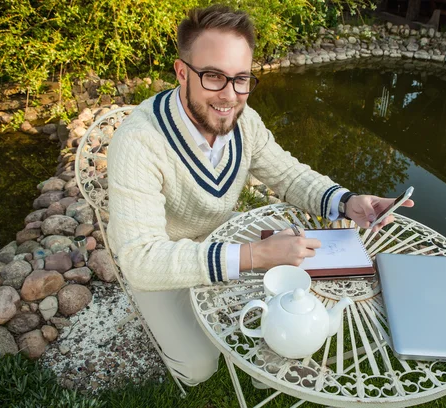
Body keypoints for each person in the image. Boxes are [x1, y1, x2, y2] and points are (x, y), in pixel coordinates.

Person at [107, 4, 414, 386]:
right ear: (182, 72)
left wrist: (348, 202)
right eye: (214, 77)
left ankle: (261, 327)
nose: (230, 96)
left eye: (241, 79)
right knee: (199, 370)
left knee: (287, 243)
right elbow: (141, 259)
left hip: (219, 234)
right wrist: (254, 256)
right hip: (161, 253)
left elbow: (286, 174)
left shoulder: (244, 119)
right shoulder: (139, 142)